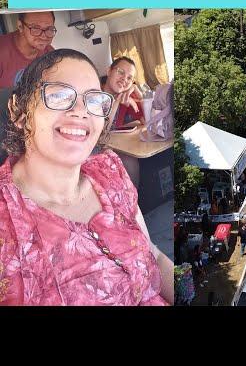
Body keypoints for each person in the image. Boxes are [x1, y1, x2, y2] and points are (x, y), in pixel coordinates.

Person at [0, 49, 172, 306]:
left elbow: (152, 255)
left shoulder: (111, 170)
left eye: (93, 101)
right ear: (18, 110)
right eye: (58, 95)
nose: (82, 112)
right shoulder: (6, 223)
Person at [0, 11, 56, 88]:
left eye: (49, 29)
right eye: (35, 28)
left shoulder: (50, 53)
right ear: (20, 26)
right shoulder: (2, 52)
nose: (43, 36)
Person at [101, 57, 145, 129]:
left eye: (129, 78)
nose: (124, 79)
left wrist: (137, 91)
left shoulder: (126, 97)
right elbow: (102, 130)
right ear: (109, 71)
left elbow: (148, 121)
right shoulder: (92, 94)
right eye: (120, 72)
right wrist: (117, 99)